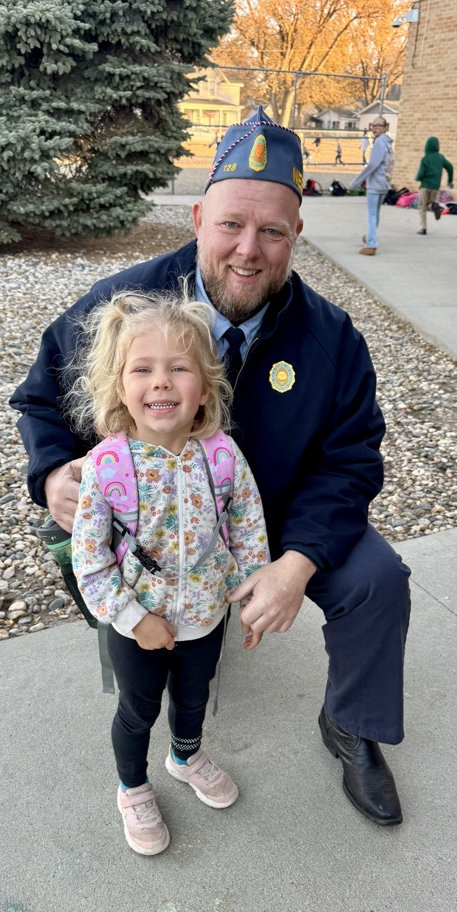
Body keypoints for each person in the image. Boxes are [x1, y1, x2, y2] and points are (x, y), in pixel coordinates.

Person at [10, 106, 411, 830]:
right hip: (150, 523)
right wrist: (51, 474)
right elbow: (39, 398)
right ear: (198, 217)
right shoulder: (124, 304)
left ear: (297, 235)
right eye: (230, 224)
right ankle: (142, 678)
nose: (248, 250)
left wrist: (296, 563)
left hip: (279, 514)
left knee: (379, 581)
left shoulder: (333, 338)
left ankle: (353, 724)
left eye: (272, 231)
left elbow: (352, 458)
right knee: (101, 579)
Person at [67, 289, 270, 855]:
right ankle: (132, 788)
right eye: (143, 369)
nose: (161, 381)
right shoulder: (109, 467)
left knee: (194, 695)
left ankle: (184, 756)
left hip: (205, 613)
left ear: (203, 389)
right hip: (139, 624)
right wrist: (133, 619)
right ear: (121, 389)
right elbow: (90, 559)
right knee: (138, 709)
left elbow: (247, 527)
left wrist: (252, 596)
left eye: (178, 368)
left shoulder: (222, 455)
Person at [349, 117, 394, 256]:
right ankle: (370, 236)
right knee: (376, 213)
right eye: (372, 125)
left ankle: (371, 244)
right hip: (383, 183)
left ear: (385, 127)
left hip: (376, 184)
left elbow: (373, 165)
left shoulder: (380, 143)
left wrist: (355, 182)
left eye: (378, 125)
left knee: (372, 215)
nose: (374, 128)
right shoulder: (387, 143)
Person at [415, 136, 454, 235]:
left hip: (425, 185)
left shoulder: (425, 158)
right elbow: (450, 167)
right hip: (435, 187)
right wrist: (450, 181)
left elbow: (421, 172)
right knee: (429, 204)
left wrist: (418, 178)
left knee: (422, 206)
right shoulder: (440, 157)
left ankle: (423, 228)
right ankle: (434, 206)